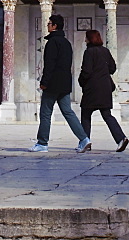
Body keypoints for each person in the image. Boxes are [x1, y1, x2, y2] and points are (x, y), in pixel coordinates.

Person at [30, 14, 91, 153]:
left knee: (45, 113)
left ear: (54, 26)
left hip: (52, 84)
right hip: (64, 84)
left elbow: (50, 65)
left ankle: (42, 143)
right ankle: (84, 139)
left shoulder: (52, 42)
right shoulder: (66, 42)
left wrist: (44, 82)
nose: (47, 26)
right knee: (68, 112)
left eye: (49, 23)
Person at [78, 28, 129, 152]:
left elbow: (86, 71)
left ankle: (85, 141)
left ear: (89, 39)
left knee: (85, 115)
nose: (85, 40)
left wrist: (81, 81)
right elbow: (112, 68)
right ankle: (121, 138)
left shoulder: (89, 52)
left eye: (86, 37)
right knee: (107, 114)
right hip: (105, 88)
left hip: (92, 88)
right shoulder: (105, 51)